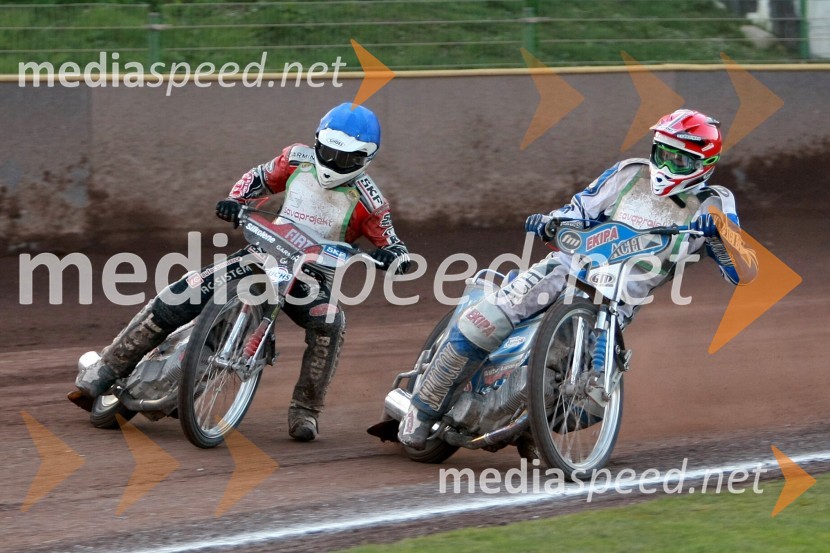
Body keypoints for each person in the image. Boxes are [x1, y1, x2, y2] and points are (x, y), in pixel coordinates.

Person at [398, 109, 758, 450]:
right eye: (661, 152)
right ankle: (423, 408)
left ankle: (533, 432)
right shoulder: (628, 173)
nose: (665, 164)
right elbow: (578, 209)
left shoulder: (715, 202)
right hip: (566, 270)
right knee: (484, 322)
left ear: (704, 164)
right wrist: (552, 221)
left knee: (593, 398)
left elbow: (744, 269)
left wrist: (718, 234)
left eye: (678, 159)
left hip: (616, 305)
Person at [71, 102, 411, 442]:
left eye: (347, 158)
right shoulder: (296, 159)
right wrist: (235, 199)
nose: (334, 162)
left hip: (310, 278)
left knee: (331, 323)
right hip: (261, 252)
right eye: (328, 151)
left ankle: (305, 410)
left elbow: (392, 242)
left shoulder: (370, 200)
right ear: (317, 141)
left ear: (366, 158)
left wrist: (394, 257)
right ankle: (107, 368)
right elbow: (258, 178)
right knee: (182, 291)